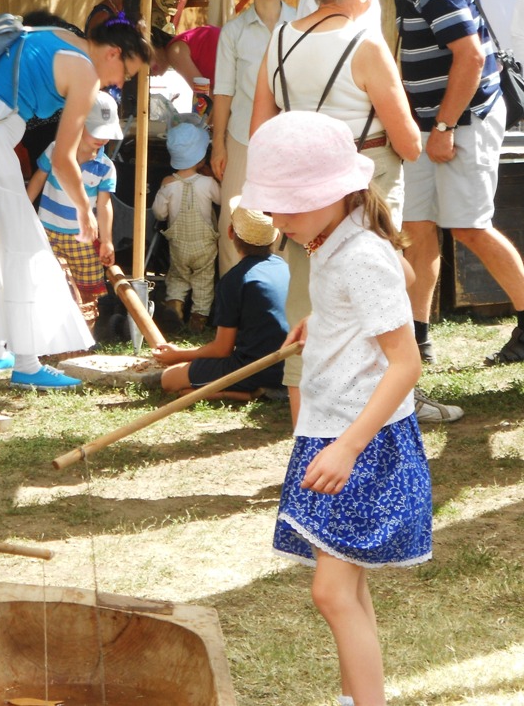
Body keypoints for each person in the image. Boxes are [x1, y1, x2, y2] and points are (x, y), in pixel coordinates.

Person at [246, 111, 432, 706]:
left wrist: (348, 448)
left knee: (331, 592)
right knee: (345, 586)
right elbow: (402, 273)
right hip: (335, 428)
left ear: (334, 193)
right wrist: (325, 321)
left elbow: (406, 364)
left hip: (359, 439)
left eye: (288, 207)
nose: (277, 220)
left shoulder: (358, 254)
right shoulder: (334, 239)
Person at [248, 0, 463, 425]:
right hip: (367, 179)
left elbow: (260, 130)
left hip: (300, 185)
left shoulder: (279, 38)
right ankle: (388, 411)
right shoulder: (365, 42)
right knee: (377, 296)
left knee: (306, 304)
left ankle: (307, 430)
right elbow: (408, 143)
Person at [0, 15, 152, 390]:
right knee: (24, 249)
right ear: (113, 53)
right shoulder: (87, 75)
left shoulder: (60, 35)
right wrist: (83, 209)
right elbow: (63, 158)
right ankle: (27, 363)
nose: (120, 83)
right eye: (126, 73)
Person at [381, 0, 524, 367]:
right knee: (416, 226)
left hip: (462, 120)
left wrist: (444, 126)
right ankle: (417, 337)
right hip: (434, 122)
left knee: (470, 227)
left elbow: (471, 57)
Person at [210, 0, 295, 277]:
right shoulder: (234, 31)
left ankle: (281, 298)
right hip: (242, 137)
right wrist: (219, 145)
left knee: (287, 222)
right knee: (234, 220)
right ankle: (234, 297)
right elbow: (223, 91)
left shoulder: (301, 23)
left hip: (291, 138)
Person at [151, 202, 288, 395]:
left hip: (253, 369)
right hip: (289, 367)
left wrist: (179, 355)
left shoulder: (235, 280)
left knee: (170, 379)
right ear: (277, 235)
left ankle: (244, 394)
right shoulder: (283, 267)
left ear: (230, 232)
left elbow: (222, 349)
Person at [26, 90, 122, 316]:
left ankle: (85, 332)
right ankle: (52, 331)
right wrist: (24, 208)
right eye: (96, 130)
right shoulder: (56, 150)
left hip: (84, 238)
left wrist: (106, 240)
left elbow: (104, 205)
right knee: (49, 285)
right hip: (48, 232)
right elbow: (38, 179)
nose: (102, 138)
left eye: (107, 133)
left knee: (87, 294)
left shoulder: (106, 167)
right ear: (78, 124)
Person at [151, 120, 220, 330]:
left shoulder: (168, 184)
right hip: (205, 244)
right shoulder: (208, 183)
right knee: (204, 279)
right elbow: (220, 200)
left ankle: (175, 305)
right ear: (201, 157)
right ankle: (198, 318)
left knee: (178, 276)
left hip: (179, 244)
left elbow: (159, 213)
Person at [149, 24, 221, 90]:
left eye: (147, 58)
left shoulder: (174, 52)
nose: (150, 73)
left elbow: (203, 91)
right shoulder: (180, 43)